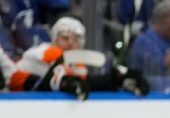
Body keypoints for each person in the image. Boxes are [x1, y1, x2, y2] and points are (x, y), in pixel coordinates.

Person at [9, 16, 149, 98]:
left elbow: (85, 84)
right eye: (65, 38)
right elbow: (57, 79)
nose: (71, 43)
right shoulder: (45, 52)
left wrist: (117, 79)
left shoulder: (77, 64)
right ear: (54, 39)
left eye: (76, 39)